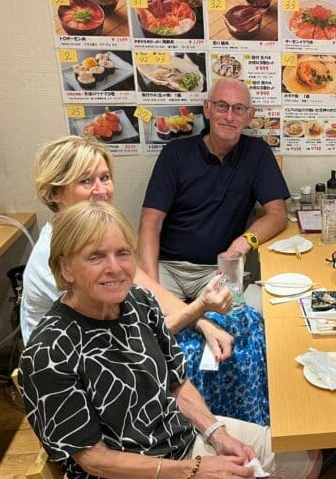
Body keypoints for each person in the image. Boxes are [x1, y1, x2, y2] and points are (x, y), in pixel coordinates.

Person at [19, 202, 322, 479]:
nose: (115, 268)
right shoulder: (49, 350)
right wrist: (195, 470)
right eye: (95, 256)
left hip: (177, 438)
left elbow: (176, 382)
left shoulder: (138, 302)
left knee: (305, 460)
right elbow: (94, 459)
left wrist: (216, 433)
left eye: (123, 253)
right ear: (65, 267)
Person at [20, 135, 233, 355]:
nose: (101, 191)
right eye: (86, 181)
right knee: (198, 354)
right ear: (55, 192)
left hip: (114, 338)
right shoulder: (55, 256)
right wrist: (199, 308)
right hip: (76, 356)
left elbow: (146, 287)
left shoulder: (98, 230)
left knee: (232, 327)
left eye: (105, 178)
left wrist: (202, 322)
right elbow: (124, 340)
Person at [139, 77, 289, 302]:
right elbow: (150, 222)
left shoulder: (257, 153)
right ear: (207, 109)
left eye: (238, 109)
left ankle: (194, 318)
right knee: (145, 314)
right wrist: (153, 287)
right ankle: (192, 317)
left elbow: (278, 215)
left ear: (249, 116)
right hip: (168, 268)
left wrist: (244, 242)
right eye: (221, 106)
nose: (229, 116)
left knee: (257, 307)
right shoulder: (175, 153)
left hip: (218, 270)